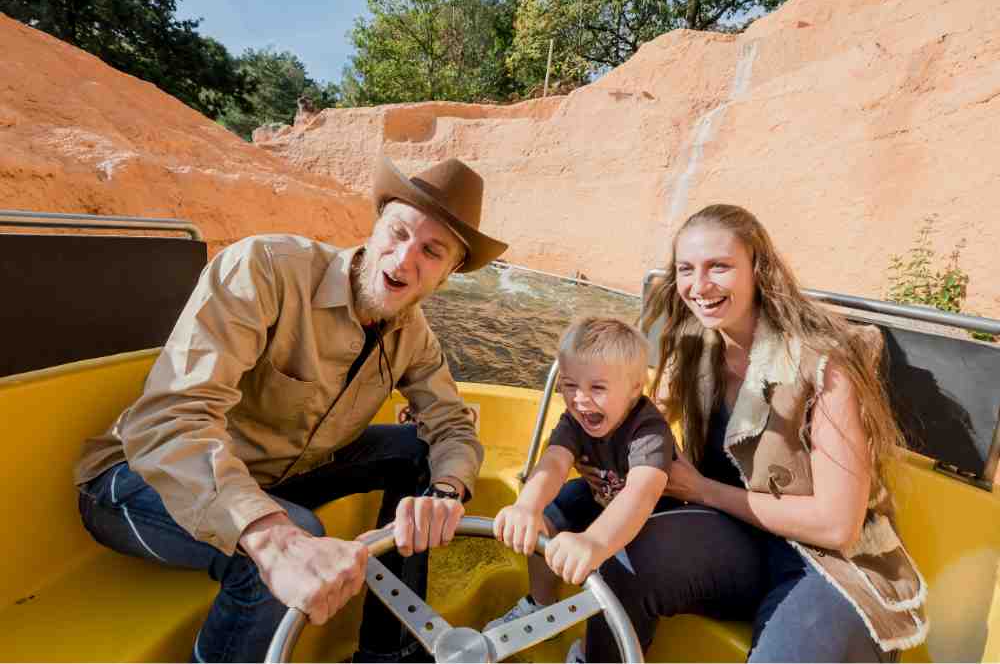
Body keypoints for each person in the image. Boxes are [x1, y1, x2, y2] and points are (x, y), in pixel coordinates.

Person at [73, 156, 509, 663]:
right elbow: (170, 421)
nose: (405, 259)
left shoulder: (415, 337)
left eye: (432, 252)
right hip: (135, 479)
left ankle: (386, 653)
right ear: (375, 222)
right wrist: (276, 538)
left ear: (449, 273)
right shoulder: (266, 268)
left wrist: (444, 492)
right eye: (399, 232)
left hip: (280, 476)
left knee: (417, 452)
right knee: (296, 535)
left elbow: (452, 425)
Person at [576, 204, 928, 662]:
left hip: (830, 563)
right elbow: (648, 415)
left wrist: (702, 490)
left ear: (757, 268)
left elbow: (837, 525)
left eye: (718, 267)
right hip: (738, 538)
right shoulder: (696, 347)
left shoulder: (825, 364)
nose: (698, 287)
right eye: (686, 269)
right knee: (618, 556)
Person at [487, 317, 675, 630]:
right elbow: (554, 462)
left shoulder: (649, 430)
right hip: (597, 496)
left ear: (634, 389)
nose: (580, 399)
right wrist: (527, 506)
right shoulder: (576, 418)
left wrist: (595, 541)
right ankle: (540, 604)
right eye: (570, 385)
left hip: (648, 518)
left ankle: (594, 646)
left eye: (597, 388)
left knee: (619, 564)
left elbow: (641, 494)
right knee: (544, 518)